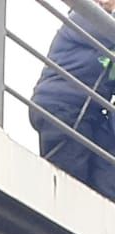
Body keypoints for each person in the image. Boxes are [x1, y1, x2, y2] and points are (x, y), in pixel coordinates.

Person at [28, 0, 115, 201]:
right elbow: (107, 31)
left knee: (85, 185)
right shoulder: (84, 18)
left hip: (82, 113)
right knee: (71, 187)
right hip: (63, 107)